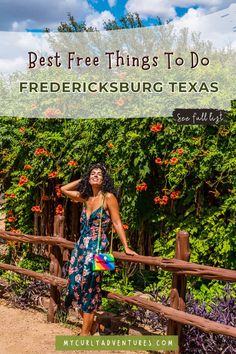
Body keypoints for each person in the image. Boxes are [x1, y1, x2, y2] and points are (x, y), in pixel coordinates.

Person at [60, 163, 138, 336]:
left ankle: (85, 332)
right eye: (92, 173)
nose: (95, 176)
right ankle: (93, 324)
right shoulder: (86, 197)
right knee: (73, 285)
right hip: (81, 247)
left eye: (99, 174)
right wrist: (85, 177)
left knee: (90, 287)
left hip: (98, 248)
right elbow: (63, 189)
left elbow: (117, 223)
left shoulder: (108, 197)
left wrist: (126, 246)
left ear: (104, 180)